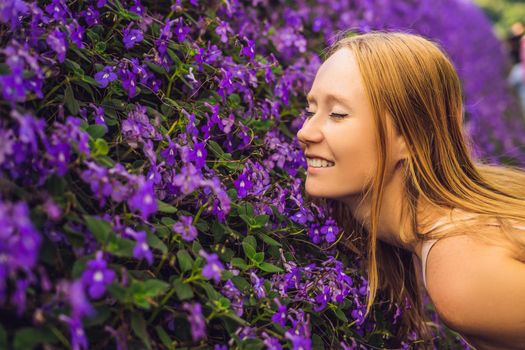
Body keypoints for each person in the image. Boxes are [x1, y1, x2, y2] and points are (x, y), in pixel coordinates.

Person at [296, 31, 525, 349]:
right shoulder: (475, 206)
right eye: (310, 111)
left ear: (410, 137)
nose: (304, 132)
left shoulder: (460, 272)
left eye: (337, 114)